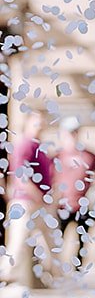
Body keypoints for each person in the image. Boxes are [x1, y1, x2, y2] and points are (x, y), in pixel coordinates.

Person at [3, 107, 56, 284]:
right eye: (37, 121)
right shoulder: (24, 145)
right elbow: (20, 177)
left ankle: (53, 277)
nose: (41, 125)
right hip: (26, 203)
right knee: (18, 243)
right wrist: (39, 197)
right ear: (27, 122)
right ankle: (6, 276)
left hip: (39, 205)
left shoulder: (39, 146)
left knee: (51, 243)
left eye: (43, 121)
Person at [53, 117, 95, 272]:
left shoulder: (89, 155)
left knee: (82, 240)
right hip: (62, 205)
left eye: (75, 132)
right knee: (57, 239)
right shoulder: (57, 156)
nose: (72, 135)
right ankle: (55, 268)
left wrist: (93, 187)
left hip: (82, 205)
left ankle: (78, 268)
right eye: (69, 132)